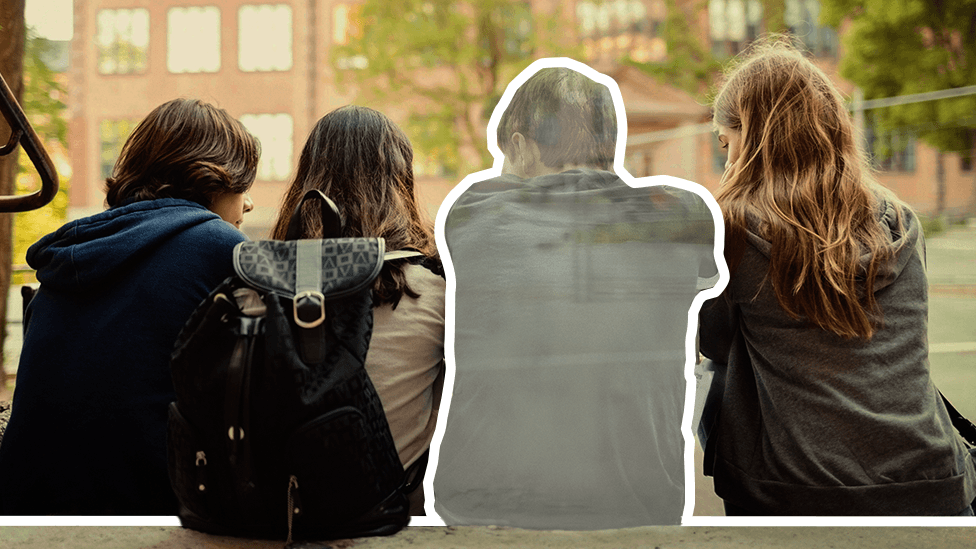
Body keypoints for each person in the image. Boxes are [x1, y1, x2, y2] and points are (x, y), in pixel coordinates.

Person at [431, 60, 722, 529]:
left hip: (488, 512)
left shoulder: (473, 211)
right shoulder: (683, 217)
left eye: (506, 155)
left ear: (522, 147)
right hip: (637, 509)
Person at [699, 38, 976, 516]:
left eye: (728, 144)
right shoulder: (900, 220)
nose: (727, 163)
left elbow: (715, 341)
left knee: (720, 373)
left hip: (795, 493)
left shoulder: (729, 228)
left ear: (756, 136)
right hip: (934, 484)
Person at [0, 98, 259, 515]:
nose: (248, 203)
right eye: (244, 184)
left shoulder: (74, 249)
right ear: (212, 176)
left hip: (25, 505)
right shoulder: (217, 246)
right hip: (146, 509)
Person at [268, 105, 445, 516]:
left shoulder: (262, 290)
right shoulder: (433, 291)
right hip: (387, 511)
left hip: (275, 510)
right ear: (400, 181)